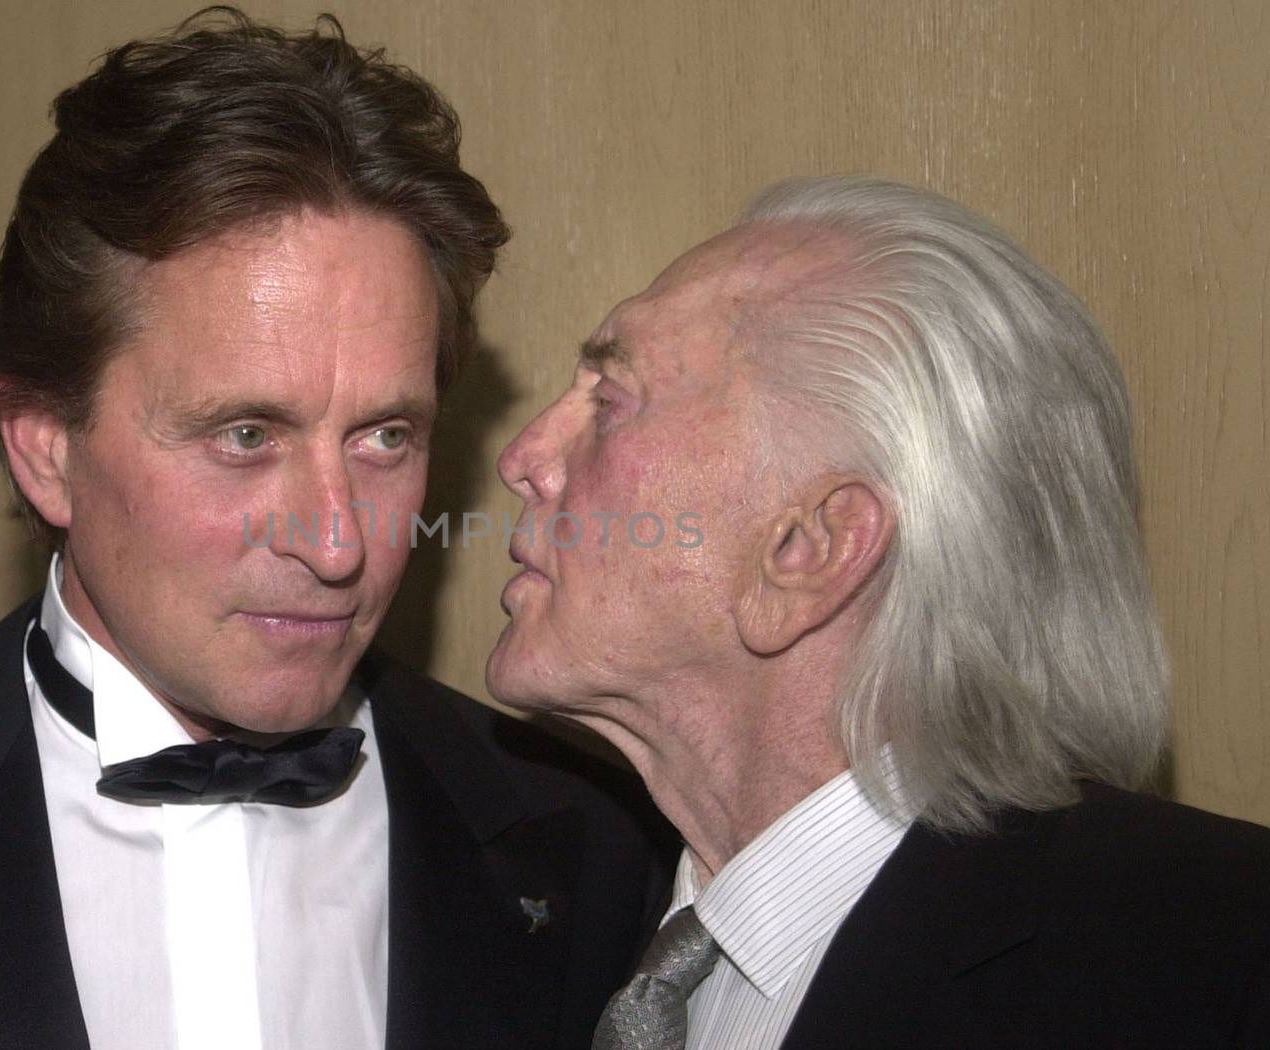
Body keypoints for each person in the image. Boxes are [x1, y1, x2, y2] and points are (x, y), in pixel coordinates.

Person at [0, 11, 674, 1050]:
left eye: (383, 437)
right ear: (45, 448)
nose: (337, 548)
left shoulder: (597, 850)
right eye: (245, 435)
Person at [486, 175, 1270, 1049]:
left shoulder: (1214, 973)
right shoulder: (550, 930)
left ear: (808, 552)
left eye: (610, 400)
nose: (524, 458)